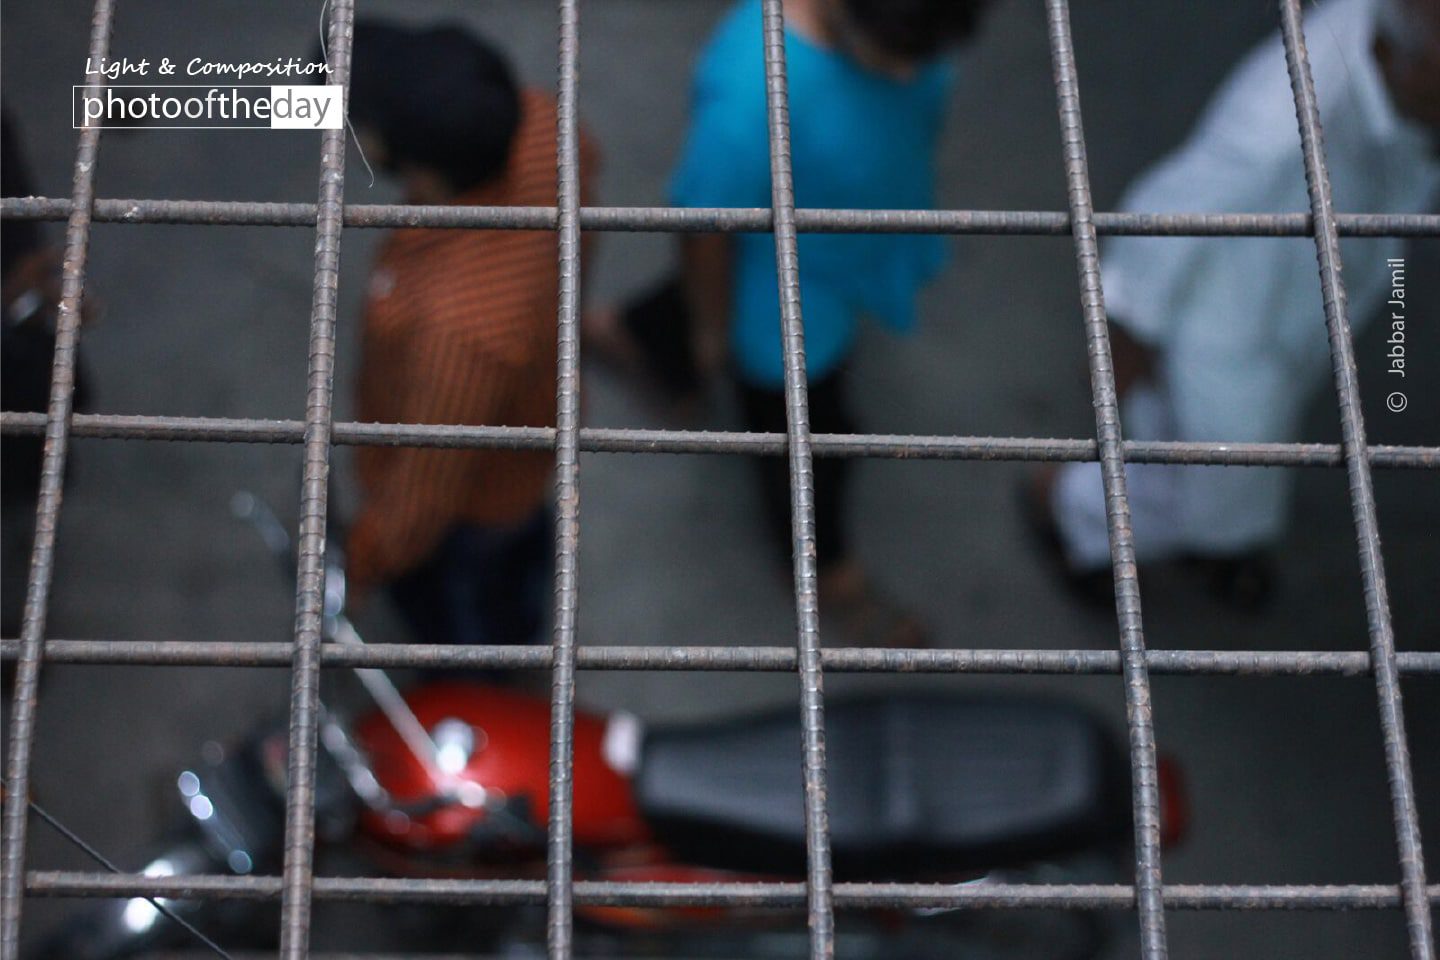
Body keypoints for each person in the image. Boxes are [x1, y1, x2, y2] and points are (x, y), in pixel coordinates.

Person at [589, 0, 993, 647]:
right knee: (809, 443)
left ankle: (635, 336)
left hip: (834, 227)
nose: (901, 76)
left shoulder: (906, 39)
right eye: (890, 55)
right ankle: (823, 564)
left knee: (713, 298)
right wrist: (711, 333)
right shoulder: (753, 90)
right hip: (791, 295)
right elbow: (706, 233)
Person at [1026, 0, 1440, 611]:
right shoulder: (1288, 116)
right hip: (1226, 338)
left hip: (1290, 314)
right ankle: (1064, 510)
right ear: (1414, 60)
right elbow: (1174, 208)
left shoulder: (1395, 56)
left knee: (1210, 465)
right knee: (1203, 483)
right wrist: (1125, 333)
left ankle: (1206, 539)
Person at [342, 21, 597, 652]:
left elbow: (425, 493)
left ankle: (479, 678)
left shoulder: (457, 330)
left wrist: (364, 563)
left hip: (476, 506)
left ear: (425, 178)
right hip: (530, 416)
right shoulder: (542, 125)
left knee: (466, 615)